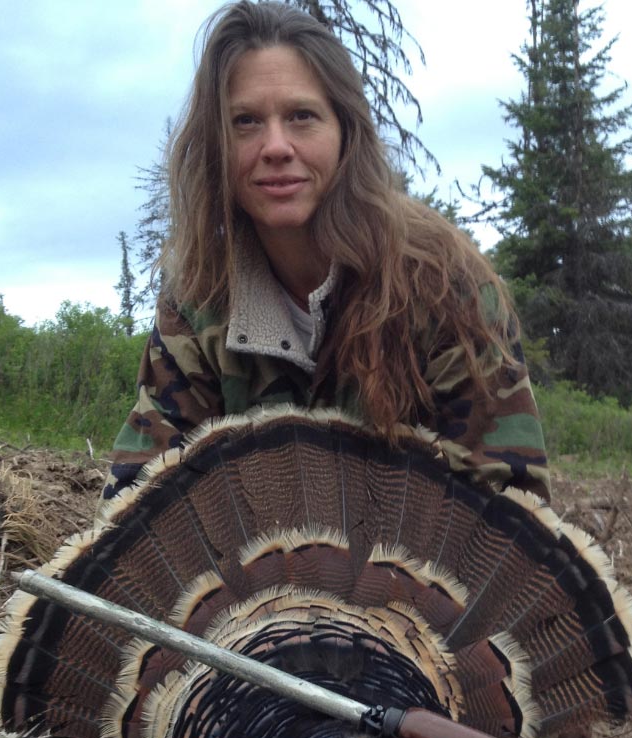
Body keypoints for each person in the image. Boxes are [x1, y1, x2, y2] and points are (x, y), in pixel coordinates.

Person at [103, 0, 550, 505]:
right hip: (256, 578)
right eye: (246, 121)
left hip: (416, 579)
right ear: (217, 146)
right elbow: (136, 499)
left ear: (345, 134)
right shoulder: (198, 299)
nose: (276, 146)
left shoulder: (444, 282)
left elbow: (508, 507)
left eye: (302, 116)